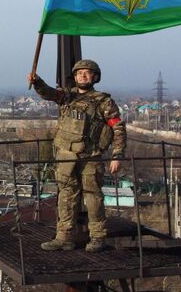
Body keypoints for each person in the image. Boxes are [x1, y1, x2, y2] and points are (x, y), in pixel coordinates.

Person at [28, 59, 126, 252]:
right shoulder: (66, 96)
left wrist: (117, 155)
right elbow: (48, 93)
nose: (83, 75)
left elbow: (118, 128)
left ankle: (97, 238)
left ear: (95, 77)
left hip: (91, 157)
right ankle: (64, 237)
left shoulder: (104, 102)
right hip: (66, 156)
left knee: (93, 198)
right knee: (66, 197)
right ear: (74, 76)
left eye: (87, 72)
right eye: (79, 72)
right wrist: (37, 81)